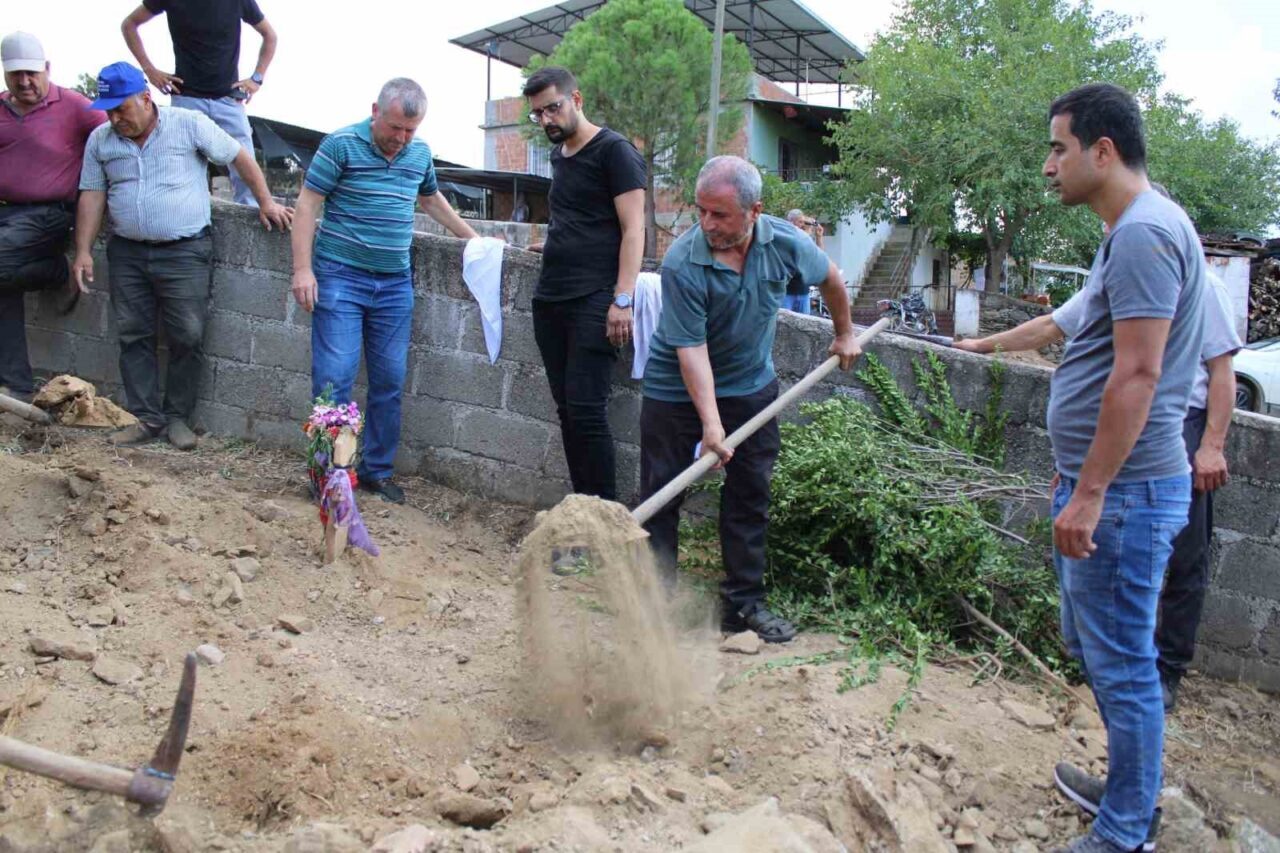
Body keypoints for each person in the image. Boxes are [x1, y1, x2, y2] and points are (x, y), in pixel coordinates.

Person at [956, 197, 1241, 717]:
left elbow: (1221, 371)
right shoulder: (1114, 277)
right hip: (1118, 432)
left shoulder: (1201, 285)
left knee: (1183, 559)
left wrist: (1211, 446)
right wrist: (980, 346)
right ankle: (1114, 671)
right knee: (1105, 557)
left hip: (1173, 431)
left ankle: (1165, 672)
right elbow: (1051, 326)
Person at [1037, 83, 1204, 853]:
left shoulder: (1145, 234)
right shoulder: (1132, 230)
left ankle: (1127, 828)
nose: (1049, 166)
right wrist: (1075, 473)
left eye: (1059, 148)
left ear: (1103, 151)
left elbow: (1138, 374)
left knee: (1126, 664)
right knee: (1098, 648)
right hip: (1106, 486)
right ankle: (1130, 790)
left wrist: (1092, 490)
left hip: (1126, 493)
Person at [639, 156, 861, 643]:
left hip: (750, 386)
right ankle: (655, 607)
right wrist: (711, 425)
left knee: (750, 493)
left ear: (754, 211)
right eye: (701, 211)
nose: (706, 223)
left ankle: (742, 605)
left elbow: (830, 277)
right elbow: (691, 350)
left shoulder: (785, 242)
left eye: (719, 214)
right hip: (674, 390)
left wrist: (844, 333)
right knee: (663, 494)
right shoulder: (683, 261)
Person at [74, 62, 290, 450]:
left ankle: (177, 418)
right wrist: (83, 251)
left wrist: (266, 202)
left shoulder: (188, 124)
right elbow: (92, 194)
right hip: (127, 251)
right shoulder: (100, 141)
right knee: (133, 334)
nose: (115, 118)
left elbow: (238, 155)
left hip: (185, 251)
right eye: (108, 111)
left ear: (145, 98)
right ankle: (145, 418)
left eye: (121, 108)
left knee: (187, 334)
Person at [290, 78, 478, 505]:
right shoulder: (340, 145)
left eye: (410, 130)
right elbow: (307, 204)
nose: (401, 138)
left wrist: (475, 240)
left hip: (394, 284)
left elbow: (431, 200)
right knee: (334, 378)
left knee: (390, 381)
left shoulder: (420, 153)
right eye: (395, 128)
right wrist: (303, 269)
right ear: (375, 111)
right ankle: (326, 475)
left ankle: (376, 470)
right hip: (340, 277)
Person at [521, 66, 646, 502]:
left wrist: (623, 299)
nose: (547, 120)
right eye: (538, 114)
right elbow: (579, 216)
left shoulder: (615, 152)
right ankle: (582, 511)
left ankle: (603, 518)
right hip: (551, 297)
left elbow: (634, 229)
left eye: (552, 108)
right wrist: (555, 243)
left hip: (595, 298)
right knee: (567, 412)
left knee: (588, 412)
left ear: (577, 99)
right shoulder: (560, 156)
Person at [0, 31, 106, 401]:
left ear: (46, 68)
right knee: (3, 282)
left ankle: (56, 271)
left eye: (31, 73)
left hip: (49, 214)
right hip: (6, 213)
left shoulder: (74, 106)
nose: (24, 82)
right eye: (16, 74)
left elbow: (116, 135)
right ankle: (16, 384)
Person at [122, 0, 277, 207]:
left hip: (228, 99)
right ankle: (185, 218)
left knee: (246, 170)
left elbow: (270, 35)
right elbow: (129, 24)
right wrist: (150, 70)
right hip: (187, 98)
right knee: (180, 170)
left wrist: (257, 78)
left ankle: (254, 217)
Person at [781, 208, 824, 315]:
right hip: (787, 292)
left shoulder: (805, 238)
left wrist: (819, 237)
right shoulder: (785, 235)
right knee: (784, 322)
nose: (802, 225)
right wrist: (806, 233)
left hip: (803, 291)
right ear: (791, 222)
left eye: (803, 222)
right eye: (800, 222)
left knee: (805, 322)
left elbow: (819, 256)